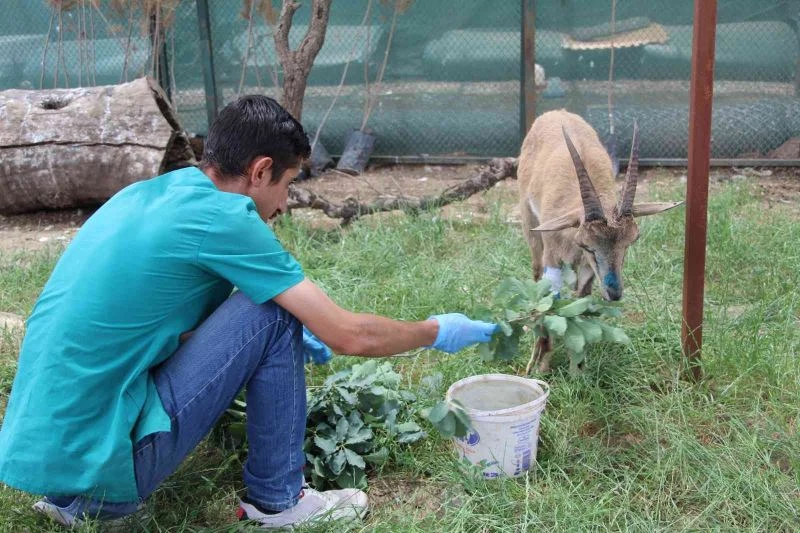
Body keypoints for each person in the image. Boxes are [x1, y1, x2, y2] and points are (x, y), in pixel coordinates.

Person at [0, 95, 497, 529]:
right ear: (260, 171)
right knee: (275, 312)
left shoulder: (152, 193)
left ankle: (77, 498)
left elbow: (163, 330)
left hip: (52, 459)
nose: (283, 203)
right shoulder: (225, 217)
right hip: (103, 470)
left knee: (264, 317)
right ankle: (280, 503)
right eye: (287, 184)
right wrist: (437, 330)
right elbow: (351, 336)